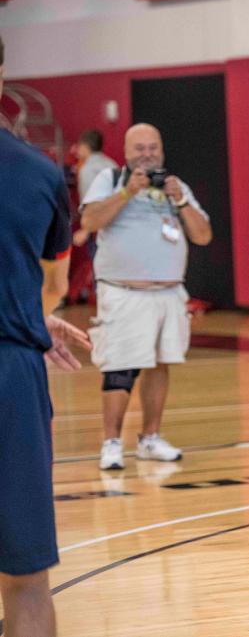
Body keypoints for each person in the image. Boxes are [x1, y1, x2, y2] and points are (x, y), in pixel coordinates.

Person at [0, 33, 92, 636]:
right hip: (12, 371)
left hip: (17, 348)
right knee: (28, 580)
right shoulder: (38, 171)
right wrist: (28, 318)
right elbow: (51, 282)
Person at [81, 123, 212, 470]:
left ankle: (150, 438)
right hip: (124, 291)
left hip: (168, 292)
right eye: (140, 148)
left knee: (159, 363)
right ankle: (111, 443)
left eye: (153, 147)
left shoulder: (175, 186)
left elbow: (202, 234)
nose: (147, 154)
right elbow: (90, 221)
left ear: (162, 150)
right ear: (126, 152)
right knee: (120, 367)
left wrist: (180, 200)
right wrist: (127, 192)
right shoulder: (110, 179)